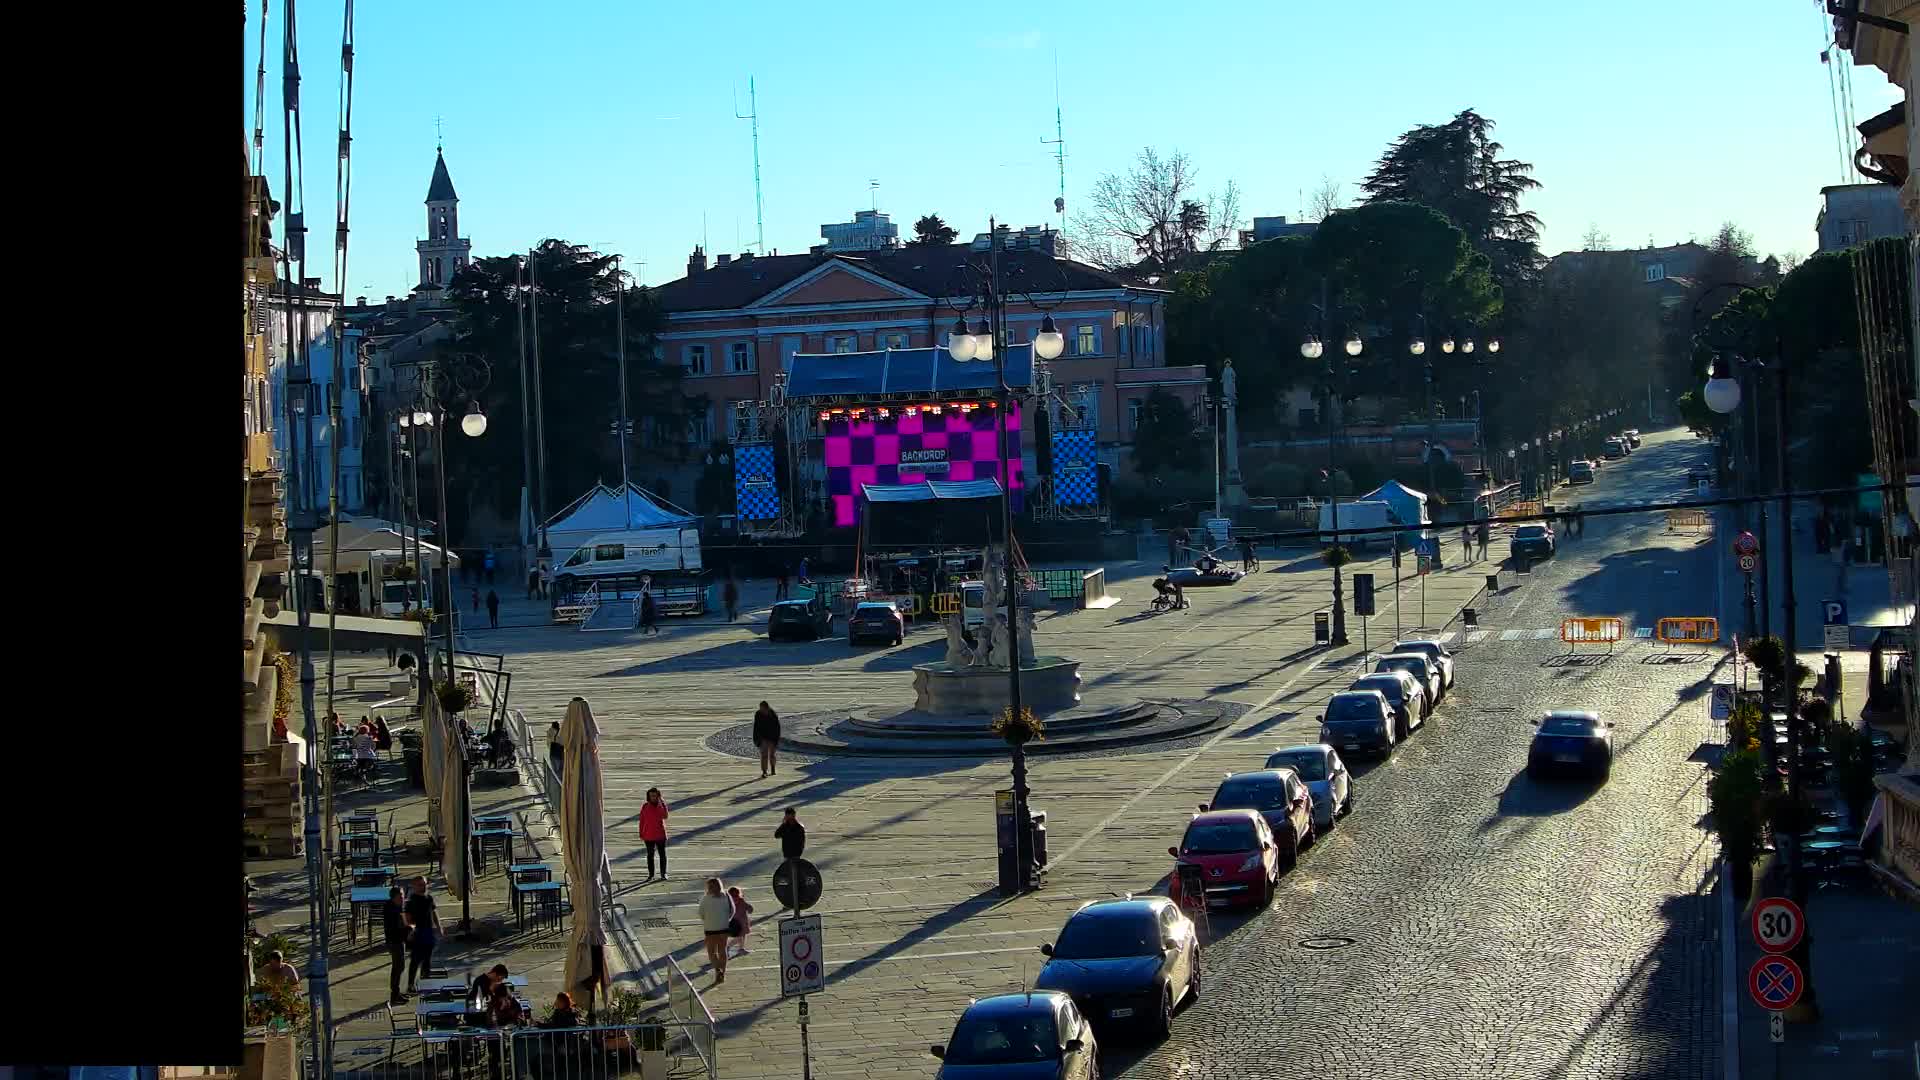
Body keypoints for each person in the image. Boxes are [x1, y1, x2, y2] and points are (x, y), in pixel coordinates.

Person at [403, 875, 440, 994]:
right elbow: (407, 918)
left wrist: (439, 926)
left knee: (427, 959)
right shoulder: (411, 901)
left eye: (424, 884)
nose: (423, 887)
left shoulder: (429, 898)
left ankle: (426, 982)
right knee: (415, 960)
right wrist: (410, 932)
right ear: (414, 887)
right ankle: (410, 985)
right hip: (418, 933)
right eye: (420, 885)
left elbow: (433, 912)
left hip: (429, 932)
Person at [699, 878, 736, 983]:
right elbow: (732, 910)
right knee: (722, 950)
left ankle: (717, 969)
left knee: (711, 952)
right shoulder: (727, 896)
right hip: (724, 928)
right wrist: (726, 919)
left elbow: (701, 913)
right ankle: (722, 973)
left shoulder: (705, 898)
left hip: (710, 929)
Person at [382, 886, 409, 1004]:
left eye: (403, 895)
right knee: (398, 967)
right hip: (395, 941)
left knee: (399, 967)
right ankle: (395, 994)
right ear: (394, 898)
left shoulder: (395, 906)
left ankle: (396, 992)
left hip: (397, 940)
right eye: (400, 896)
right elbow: (400, 926)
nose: (403, 898)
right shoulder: (393, 910)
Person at [639, 787, 670, 880]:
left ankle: (663, 873)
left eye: (655, 796)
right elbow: (642, 821)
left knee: (662, 855)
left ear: (658, 796)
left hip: (660, 834)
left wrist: (660, 803)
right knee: (650, 856)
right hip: (648, 835)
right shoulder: (645, 806)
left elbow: (665, 816)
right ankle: (651, 874)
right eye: (651, 796)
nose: (653, 797)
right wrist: (641, 833)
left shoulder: (661, 805)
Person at [753, 702, 781, 777]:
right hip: (763, 737)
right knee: (764, 755)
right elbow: (756, 727)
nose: (761, 710)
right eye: (760, 708)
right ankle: (764, 771)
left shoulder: (773, 714)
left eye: (762, 708)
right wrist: (756, 738)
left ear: (766, 708)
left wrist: (776, 739)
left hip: (772, 737)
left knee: (772, 755)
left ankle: (773, 768)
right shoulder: (758, 714)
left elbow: (777, 728)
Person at [727, 886, 755, 957]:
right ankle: (728, 946)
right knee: (739, 937)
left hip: (743, 923)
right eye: (733, 897)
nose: (735, 898)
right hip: (736, 924)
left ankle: (741, 948)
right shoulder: (729, 904)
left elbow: (748, 907)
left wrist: (749, 908)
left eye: (736, 896)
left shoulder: (741, 901)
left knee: (743, 936)